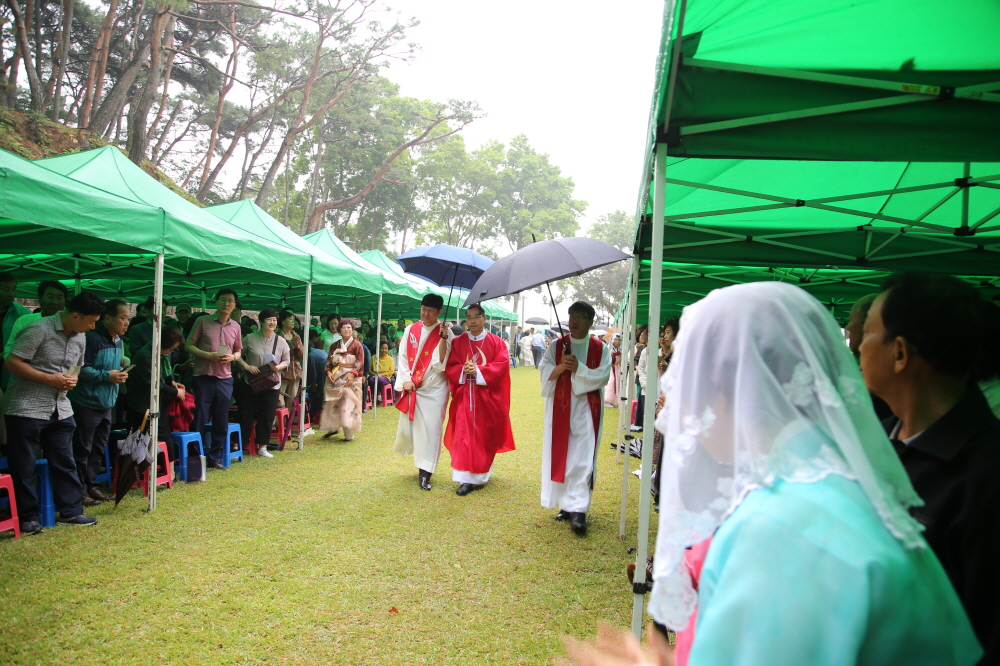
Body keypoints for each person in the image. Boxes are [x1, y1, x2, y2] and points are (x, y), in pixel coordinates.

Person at [633, 281, 982, 666]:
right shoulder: (829, 477)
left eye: (685, 383)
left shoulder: (782, 526)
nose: (671, 412)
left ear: (727, 387)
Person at [860, 271, 1000, 661]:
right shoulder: (871, 442)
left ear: (899, 353)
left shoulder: (985, 477)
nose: (856, 346)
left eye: (867, 333)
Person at [3, 291, 106, 533]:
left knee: (65, 461)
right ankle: (28, 518)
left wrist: (72, 379)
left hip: (60, 407)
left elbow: (76, 367)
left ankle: (70, 512)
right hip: (26, 406)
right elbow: (12, 362)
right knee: (24, 466)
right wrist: (49, 379)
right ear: (76, 315)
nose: (93, 327)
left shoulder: (80, 336)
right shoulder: (39, 329)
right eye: (91, 321)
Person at [539, 301, 611, 536]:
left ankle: (579, 510)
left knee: (582, 457)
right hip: (560, 407)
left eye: (580, 317)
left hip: (587, 409)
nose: (574, 321)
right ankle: (565, 505)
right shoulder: (557, 345)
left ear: (590, 321)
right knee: (562, 455)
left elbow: (602, 376)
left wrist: (579, 368)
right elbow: (545, 371)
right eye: (572, 316)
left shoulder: (600, 348)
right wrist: (562, 366)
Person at [443, 303, 515, 496]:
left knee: (483, 435)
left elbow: (501, 366)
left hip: (487, 398)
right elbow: (451, 366)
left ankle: (481, 474)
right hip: (465, 396)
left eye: (476, 317)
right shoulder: (459, 342)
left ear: (484, 319)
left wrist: (479, 370)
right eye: (469, 317)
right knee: (463, 435)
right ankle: (464, 479)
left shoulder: (497, 343)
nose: (472, 321)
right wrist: (463, 370)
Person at [69, 299, 129, 506]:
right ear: (108, 318)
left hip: (107, 403)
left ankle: (92, 485)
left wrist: (120, 373)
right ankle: (78, 491)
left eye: (128, 319)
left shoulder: (118, 340)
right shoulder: (92, 339)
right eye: (123, 318)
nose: (126, 323)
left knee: (97, 448)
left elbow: (111, 368)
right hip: (86, 402)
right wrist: (107, 376)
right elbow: (81, 369)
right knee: (82, 449)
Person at [394, 294, 453, 491]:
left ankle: (426, 472)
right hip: (414, 386)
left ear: (439, 312)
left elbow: (441, 364)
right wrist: (406, 379)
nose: (426, 314)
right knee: (414, 428)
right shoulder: (411, 329)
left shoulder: (446, 332)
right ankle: (420, 463)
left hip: (435, 388)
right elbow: (403, 357)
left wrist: (443, 338)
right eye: (423, 310)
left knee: (432, 428)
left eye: (430, 311)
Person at [185, 288, 243, 471]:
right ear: (216, 302)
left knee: (221, 420)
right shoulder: (203, 321)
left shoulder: (236, 326)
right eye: (223, 300)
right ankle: (195, 458)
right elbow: (188, 345)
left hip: (225, 378)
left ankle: (214, 458)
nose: (226, 304)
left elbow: (238, 351)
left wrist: (232, 358)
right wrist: (208, 355)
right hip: (203, 376)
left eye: (230, 301)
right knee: (199, 418)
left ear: (234, 305)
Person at [234, 308, 290, 458]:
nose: (272, 322)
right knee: (245, 413)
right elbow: (237, 355)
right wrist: (247, 366)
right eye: (269, 319)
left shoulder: (281, 341)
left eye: (275, 320)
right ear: (261, 321)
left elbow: (287, 360)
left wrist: (278, 367)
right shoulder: (250, 338)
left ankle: (263, 447)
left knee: (267, 415)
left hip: (272, 384)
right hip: (250, 382)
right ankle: (239, 444)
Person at [126, 326, 186, 448]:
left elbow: (164, 375)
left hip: (158, 402)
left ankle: (167, 461)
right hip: (142, 404)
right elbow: (154, 383)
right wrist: (176, 392)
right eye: (171, 348)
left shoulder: (162, 354)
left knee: (164, 436)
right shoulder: (146, 355)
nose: (171, 351)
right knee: (144, 440)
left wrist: (172, 383)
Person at [321, 319, 365, 441]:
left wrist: (353, 374)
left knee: (349, 403)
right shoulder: (334, 345)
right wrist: (328, 371)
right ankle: (334, 426)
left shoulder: (357, 345)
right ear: (339, 330)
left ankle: (348, 432)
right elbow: (329, 361)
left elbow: (360, 362)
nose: (346, 330)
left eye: (349, 327)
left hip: (351, 378)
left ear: (352, 329)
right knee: (334, 402)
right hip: (337, 375)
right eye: (344, 327)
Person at [4, 280, 69, 362]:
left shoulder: (71, 324)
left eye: (59, 298)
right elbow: (9, 349)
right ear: (40, 299)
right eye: (50, 297)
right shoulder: (25, 321)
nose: (55, 302)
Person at [276, 310, 303, 409]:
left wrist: (298, 347)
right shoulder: (277, 336)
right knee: (279, 400)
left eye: (293, 319)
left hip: (295, 373)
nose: (293, 322)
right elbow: (277, 355)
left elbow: (302, 356)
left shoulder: (296, 336)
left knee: (291, 401)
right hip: (282, 373)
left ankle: (289, 418)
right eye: (290, 319)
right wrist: (291, 347)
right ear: (283, 321)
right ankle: (279, 419)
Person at [307, 329, 328, 422]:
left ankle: (312, 416)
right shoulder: (318, 351)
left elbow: (313, 372)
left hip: (323, 376)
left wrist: (313, 384)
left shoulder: (311, 356)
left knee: (317, 396)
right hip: (327, 374)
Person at [604, 334, 622, 407]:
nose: (617, 341)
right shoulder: (608, 348)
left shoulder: (619, 349)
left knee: (617, 383)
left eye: (618, 340)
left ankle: (614, 400)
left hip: (617, 367)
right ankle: (607, 400)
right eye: (616, 339)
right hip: (610, 368)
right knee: (611, 382)